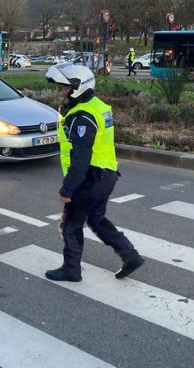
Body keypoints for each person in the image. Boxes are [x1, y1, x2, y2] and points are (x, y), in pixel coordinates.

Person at [44, 63, 144, 282]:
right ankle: (130, 255)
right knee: (96, 219)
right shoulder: (98, 107)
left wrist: (68, 188)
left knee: (70, 223)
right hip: (107, 174)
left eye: (64, 87)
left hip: (89, 177)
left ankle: (71, 270)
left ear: (78, 86)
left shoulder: (82, 117)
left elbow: (81, 158)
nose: (61, 91)